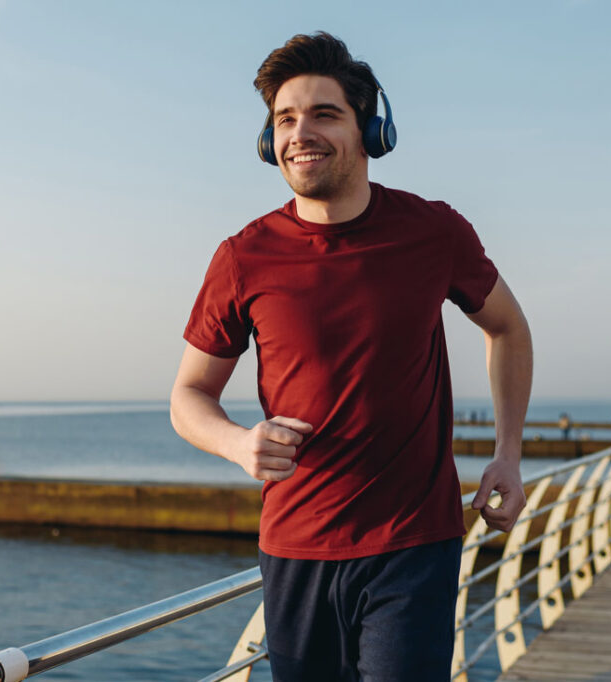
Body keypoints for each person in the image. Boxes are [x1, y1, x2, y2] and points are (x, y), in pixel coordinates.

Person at [169, 32, 532, 681]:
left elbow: (507, 328)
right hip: (294, 549)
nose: (299, 133)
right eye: (284, 119)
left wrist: (507, 452)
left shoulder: (434, 231)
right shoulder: (242, 256)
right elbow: (189, 395)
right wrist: (236, 444)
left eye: (323, 114)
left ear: (372, 129)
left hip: (414, 542)